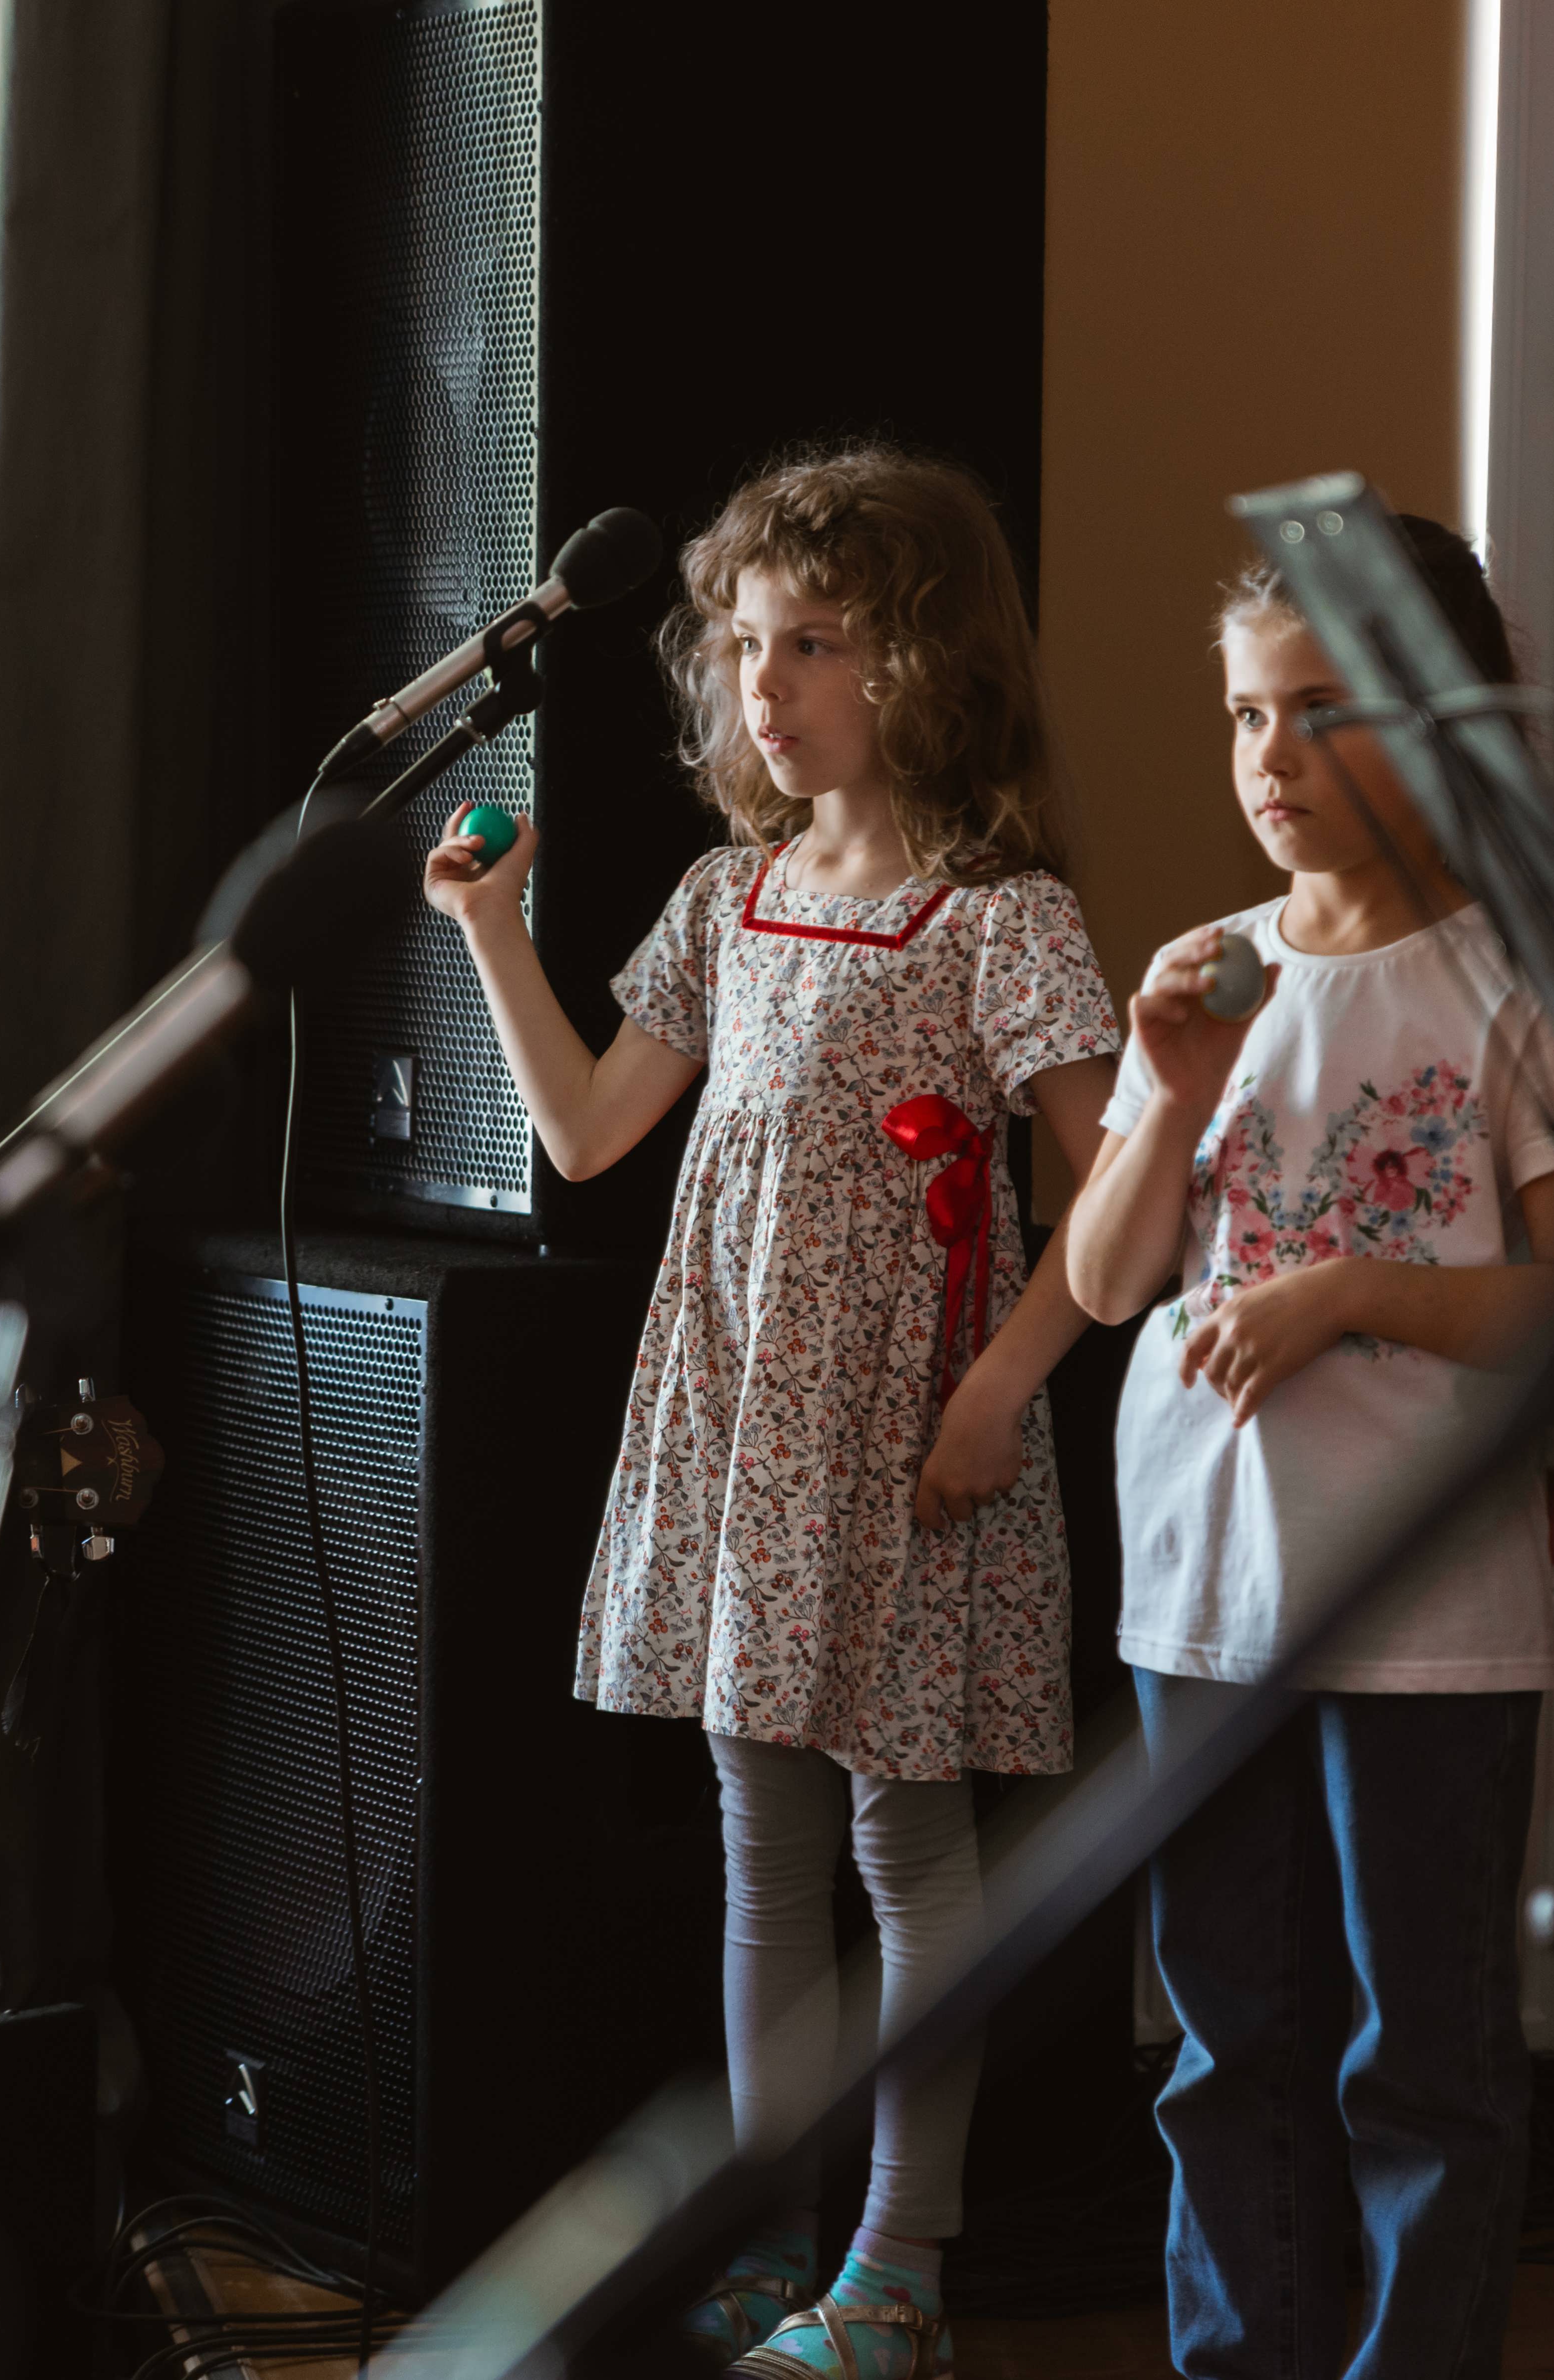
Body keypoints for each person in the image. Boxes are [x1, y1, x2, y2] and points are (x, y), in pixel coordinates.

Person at [423, 446, 1118, 2380]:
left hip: (905, 1449)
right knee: (762, 1849)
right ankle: (766, 2240)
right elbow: (588, 1134)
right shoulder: (728, 897)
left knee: (910, 1856)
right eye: (744, 646)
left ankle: (898, 2272)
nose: (765, 684)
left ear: (924, 663)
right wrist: (491, 934)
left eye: (813, 643)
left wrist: (994, 1396)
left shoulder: (998, 920)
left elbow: (1120, 1199)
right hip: (745, 1440)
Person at [1060, 523, 1554, 2378]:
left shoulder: (1513, 981)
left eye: (1323, 710)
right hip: (1204, 1596)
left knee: (1421, 2061)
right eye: (1244, 716)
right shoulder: (1204, 971)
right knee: (1228, 2043)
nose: (1270, 757)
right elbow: (1110, 1278)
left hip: (1421, 1608)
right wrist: (1167, 1097)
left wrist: (1355, 1294)